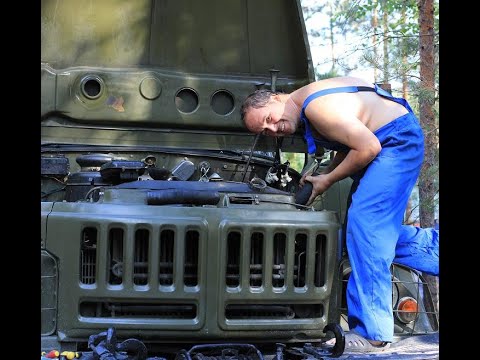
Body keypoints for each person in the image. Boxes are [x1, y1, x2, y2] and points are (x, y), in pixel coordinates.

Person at [240, 76, 439, 353]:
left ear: (276, 97)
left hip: (395, 142)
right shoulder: (311, 99)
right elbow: (349, 142)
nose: (275, 128)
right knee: (364, 236)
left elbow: (368, 147)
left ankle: (372, 333)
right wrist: (323, 175)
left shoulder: (315, 108)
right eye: (267, 131)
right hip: (393, 137)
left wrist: (328, 180)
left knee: (365, 228)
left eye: (270, 119)